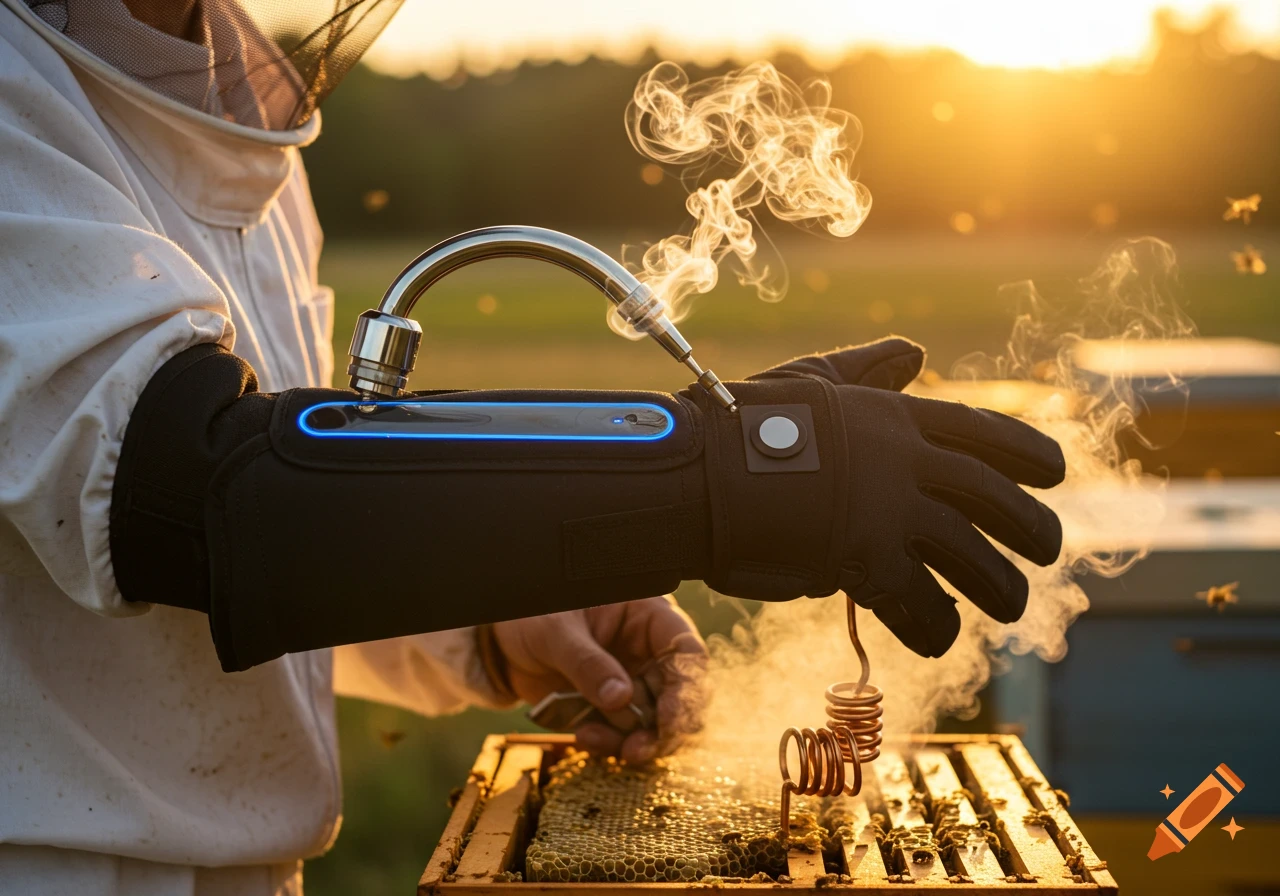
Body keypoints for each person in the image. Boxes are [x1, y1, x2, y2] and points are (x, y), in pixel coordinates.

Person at [0, 1, 1066, 893]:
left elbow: (302, 513)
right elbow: (186, 492)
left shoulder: (242, 126)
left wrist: (490, 614)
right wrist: (734, 466)